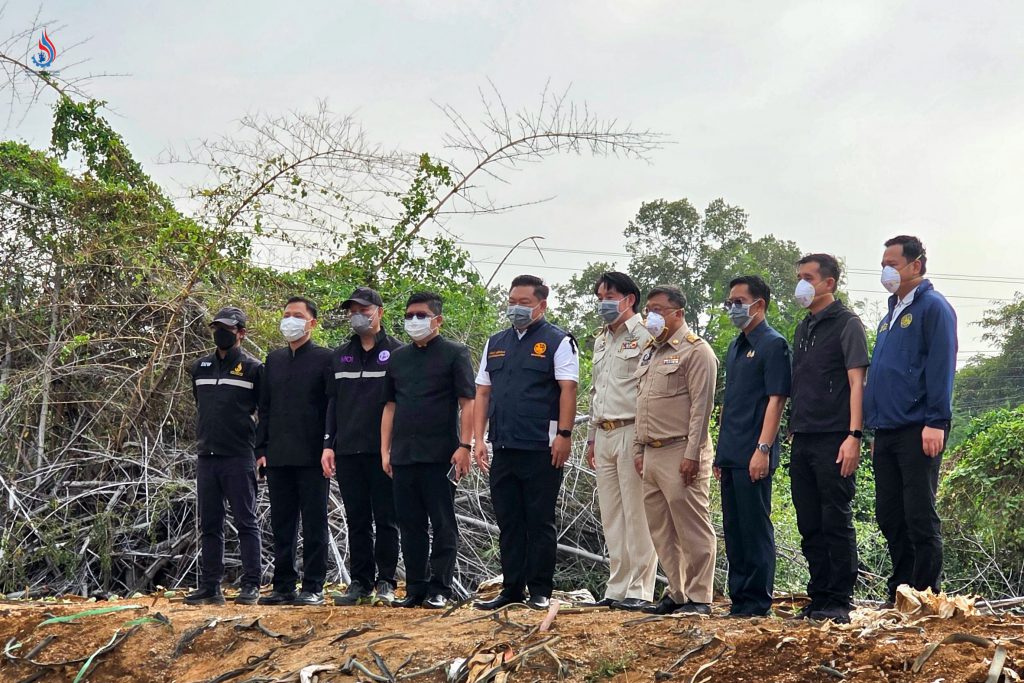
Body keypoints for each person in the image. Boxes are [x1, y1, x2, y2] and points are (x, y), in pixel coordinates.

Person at [472, 274, 579, 611]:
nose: (516, 308)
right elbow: (483, 392)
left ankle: (540, 590)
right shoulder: (496, 341)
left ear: (541, 305)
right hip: (503, 445)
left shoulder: (558, 341)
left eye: (525, 303)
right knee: (508, 521)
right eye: (512, 302)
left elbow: (568, 389)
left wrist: (564, 435)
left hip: (542, 447)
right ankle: (512, 588)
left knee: (539, 520)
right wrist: (478, 439)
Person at [864, 235, 957, 605]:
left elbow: (940, 366)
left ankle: (924, 593)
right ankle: (900, 591)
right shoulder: (890, 314)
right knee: (889, 513)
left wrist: (936, 420)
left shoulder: (933, 307)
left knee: (919, 513)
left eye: (893, 263)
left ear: (916, 264)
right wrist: (875, 426)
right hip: (886, 429)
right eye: (883, 264)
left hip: (920, 427)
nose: (886, 270)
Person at [382, 292, 476, 609]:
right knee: (410, 525)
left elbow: (468, 402)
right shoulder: (398, 357)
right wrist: (385, 451)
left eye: (421, 315)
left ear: (437, 319)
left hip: (441, 454)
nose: (414, 321)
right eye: (409, 315)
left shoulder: (454, 353)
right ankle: (416, 587)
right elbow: (390, 407)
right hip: (404, 455)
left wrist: (465, 446)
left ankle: (440, 588)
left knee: (443, 523)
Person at [789, 255, 870, 623]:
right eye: (799, 277)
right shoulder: (804, 327)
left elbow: (857, 383)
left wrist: (854, 435)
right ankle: (818, 595)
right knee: (809, 521)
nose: (801, 284)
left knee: (834, 518)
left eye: (808, 277)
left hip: (835, 436)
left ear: (829, 283)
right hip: (803, 436)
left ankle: (839, 599)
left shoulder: (847, 324)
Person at [633, 286, 719, 616]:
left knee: (692, 526)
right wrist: (639, 449)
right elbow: (641, 403)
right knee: (661, 528)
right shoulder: (650, 351)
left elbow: (702, 407)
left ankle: (700, 596)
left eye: (657, 309)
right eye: (648, 310)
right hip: (652, 452)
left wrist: (693, 454)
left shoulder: (696, 351)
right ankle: (677, 591)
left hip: (681, 448)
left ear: (678, 313)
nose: (650, 316)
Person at [715, 275, 791, 618]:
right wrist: (720, 454)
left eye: (738, 301)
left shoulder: (773, 344)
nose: (732, 307)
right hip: (731, 453)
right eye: (730, 301)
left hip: (754, 453)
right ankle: (740, 599)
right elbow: (731, 404)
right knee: (734, 529)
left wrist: (763, 449)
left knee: (755, 527)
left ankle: (758, 601)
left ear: (758, 304)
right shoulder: (735, 345)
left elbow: (776, 401)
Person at [321, 287, 403, 606]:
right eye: (352, 309)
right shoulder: (339, 355)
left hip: (383, 452)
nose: (357, 315)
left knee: (386, 518)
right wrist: (328, 444)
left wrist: (395, 447)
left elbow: (401, 404)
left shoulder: (398, 353)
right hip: (348, 449)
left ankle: (386, 581)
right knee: (357, 518)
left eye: (364, 309)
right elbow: (332, 403)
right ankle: (360, 582)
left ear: (379, 312)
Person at [584, 272, 658, 611]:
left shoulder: (646, 336)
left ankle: (640, 589)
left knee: (637, 513)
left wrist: (644, 441)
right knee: (612, 514)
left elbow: (648, 391)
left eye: (609, 296)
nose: (603, 302)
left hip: (632, 431)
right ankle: (616, 588)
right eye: (600, 296)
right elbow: (595, 391)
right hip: (604, 431)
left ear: (629, 299)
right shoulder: (601, 340)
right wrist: (590, 439)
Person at [256, 297, 334, 606]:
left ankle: (313, 585)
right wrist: (261, 448)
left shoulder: (326, 358)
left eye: (297, 316)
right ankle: (283, 585)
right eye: (286, 314)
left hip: (313, 456)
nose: (290, 320)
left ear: (312, 323)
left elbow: (332, 406)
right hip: (278, 455)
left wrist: (329, 445)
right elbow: (265, 408)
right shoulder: (273, 359)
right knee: (282, 523)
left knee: (314, 522)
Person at [185, 306, 263, 606]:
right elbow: (200, 404)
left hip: (239, 455)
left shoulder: (254, 368)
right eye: (217, 327)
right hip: (207, 455)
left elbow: (263, 412)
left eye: (228, 329)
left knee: (246, 521)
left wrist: (261, 451)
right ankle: (210, 587)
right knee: (210, 524)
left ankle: (251, 584)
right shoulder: (200, 367)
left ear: (241, 333)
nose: (221, 333)